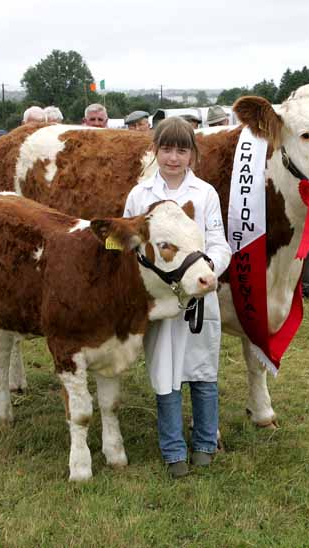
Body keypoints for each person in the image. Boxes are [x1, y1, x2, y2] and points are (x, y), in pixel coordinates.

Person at [123, 117, 231, 479]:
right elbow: (131, 245)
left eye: (181, 150)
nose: (173, 157)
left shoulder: (205, 194)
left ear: (192, 154)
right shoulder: (140, 195)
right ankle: (172, 449)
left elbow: (218, 241)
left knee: (202, 369)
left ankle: (203, 441)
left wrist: (207, 270)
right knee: (165, 369)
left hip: (199, 296)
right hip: (161, 299)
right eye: (166, 149)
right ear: (155, 151)